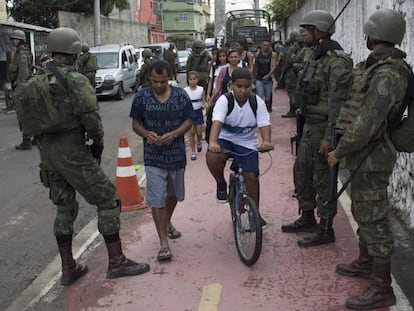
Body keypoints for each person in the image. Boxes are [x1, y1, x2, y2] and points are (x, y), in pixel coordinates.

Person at [34, 27, 150, 285]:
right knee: (108, 200)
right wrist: (97, 145)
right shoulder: (74, 80)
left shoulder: (36, 80)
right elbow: (91, 119)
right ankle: (117, 262)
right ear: (74, 52)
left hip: (47, 152)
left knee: (64, 207)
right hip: (72, 150)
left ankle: (68, 267)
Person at [327, 9, 408, 310]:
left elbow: (367, 122)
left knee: (373, 216)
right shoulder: (379, 66)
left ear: (373, 34)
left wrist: (340, 151)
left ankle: (382, 287)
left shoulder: (388, 73)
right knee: (363, 209)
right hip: (366, 151)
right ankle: (365, 261)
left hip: (373, 153)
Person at [280, 10, 353, 248]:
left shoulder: (337, 61)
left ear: (319, 30)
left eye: (307, 29)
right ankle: (308, 216)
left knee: (324, 178)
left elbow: (338, 102)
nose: (303, 33)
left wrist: (330, 136)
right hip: (309, 125)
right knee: (302, 172)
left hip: (324, 128)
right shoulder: (315, 55)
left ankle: (325, 227)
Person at [130, 60, 194, 261]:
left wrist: (175, 134)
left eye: (163, 81)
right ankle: (163, 243)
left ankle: (167, 222)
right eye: (155, 81)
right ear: (150, 78)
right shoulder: (141, 97)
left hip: (176, 155)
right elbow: (135, 124)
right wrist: (145, 133)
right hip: (153, 156)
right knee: (157, 197)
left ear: (170, 78)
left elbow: (189, 120)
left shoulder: (181, 96)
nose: (158, 85)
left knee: (174, 194)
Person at [206, 67, 273, 228]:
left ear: (252, 86)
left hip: (247, 143)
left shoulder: (257, 102)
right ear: (231, 85)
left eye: (247, 87)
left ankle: (254, 214)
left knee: (252, 177)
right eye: (239, 86)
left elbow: (264, 123)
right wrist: (213, 142)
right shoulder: (224, 101)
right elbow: (217, 122)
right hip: (225, 140)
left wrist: (266, 141)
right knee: (213, 157)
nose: (243, 90)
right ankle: (221, 184)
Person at [8, 29, 34, 150]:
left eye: (15, 39)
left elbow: (23, 73)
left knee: (23, 114)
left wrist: (20, 88)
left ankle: (27, 140)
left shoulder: (22, 54)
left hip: (22, 86)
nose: (13, 41)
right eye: (12, 39)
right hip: (23, 85)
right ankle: (35, 138)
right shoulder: (22, 52)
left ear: (21, 40)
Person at [184, 71, 206, 160]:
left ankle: (199, 142)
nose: (192, 81)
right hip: (189, 113)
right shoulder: (185, 90)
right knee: (191, 132)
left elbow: (203, 100)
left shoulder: (201, 89)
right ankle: (193, 152)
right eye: (190, 79)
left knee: (199, 133)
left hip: (198, 112)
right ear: (188, 80)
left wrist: (206, 107)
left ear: (197, 80)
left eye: (194, 79)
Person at [253, 39, 278, 112]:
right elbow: (255, 66)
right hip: (259, 78)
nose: (266, 47)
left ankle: (268, 107)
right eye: (264, 45)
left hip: (268, 79)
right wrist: (253, 77)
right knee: (259, 95)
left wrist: (269, 75)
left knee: (268, 96)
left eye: (267, 45)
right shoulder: (257, 54)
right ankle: (260, 109)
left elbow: (274, 66)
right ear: (261, 46)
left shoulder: (273, 54)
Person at [280, 31, 301, 118]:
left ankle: (293, 110)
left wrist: (283, 71)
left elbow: (288, 61)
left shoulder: (292, 48)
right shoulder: (302, 47)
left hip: (291, 72)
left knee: (291, 91)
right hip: (298, 72)